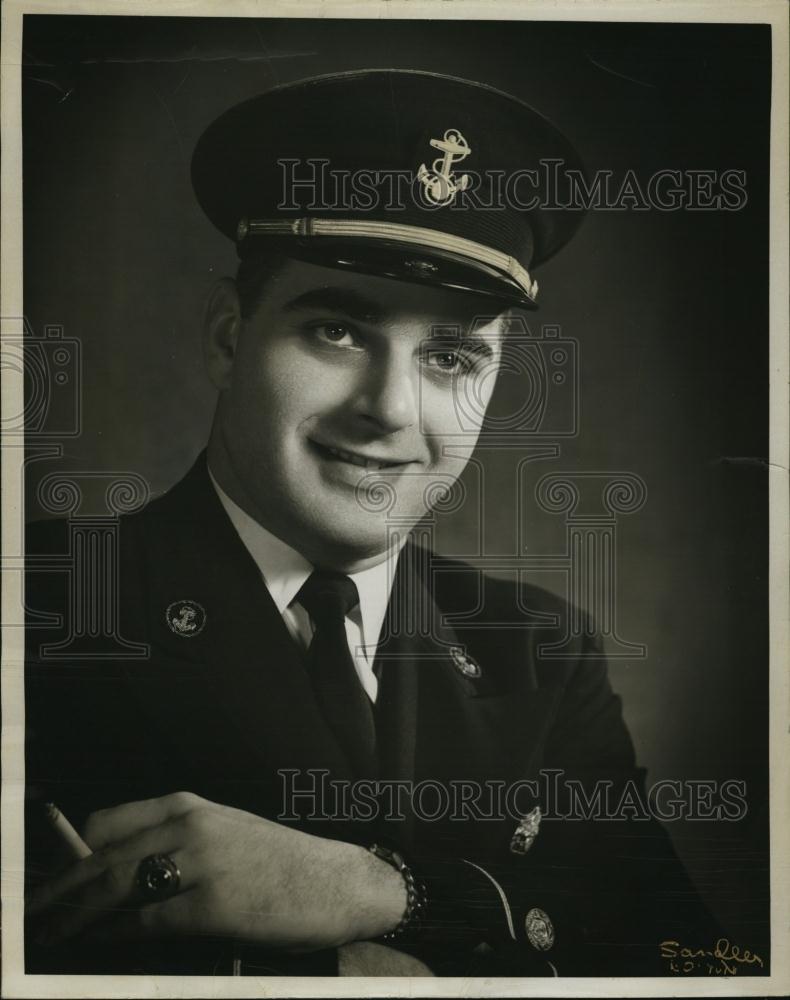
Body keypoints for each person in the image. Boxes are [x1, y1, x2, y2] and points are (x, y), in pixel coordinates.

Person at [24, 69, 718, 978]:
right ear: (228, 336)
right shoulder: (40, 612)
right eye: (338, 331)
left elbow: (702, 964)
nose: (392, 409)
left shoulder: (541, 654)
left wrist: (389, 892)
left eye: (451, 354)